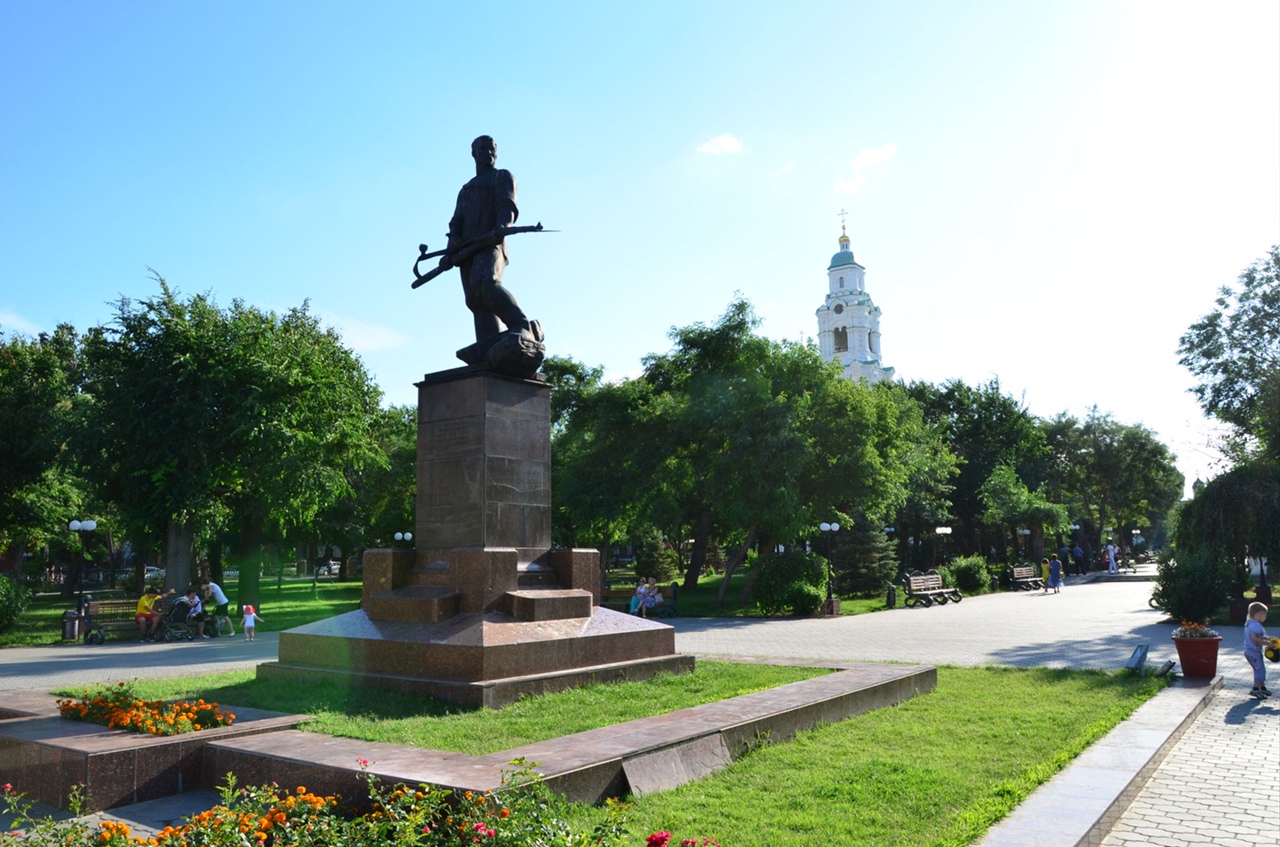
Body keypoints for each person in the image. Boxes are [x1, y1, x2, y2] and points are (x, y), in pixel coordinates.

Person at [440, 135, 541, 355]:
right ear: (473, 153)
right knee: (475, 300)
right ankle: (489, 345)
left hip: (491, 243)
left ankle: (522, 325)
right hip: (467, 250)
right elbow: (456, 222)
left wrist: (502, 226)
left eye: (491, 148)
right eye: (482, 148)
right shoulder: (466, 189)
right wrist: (450, 250)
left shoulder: (502, 176)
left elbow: (507, 205)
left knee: (485, 283)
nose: (487, 152)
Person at [1244, 602, 1271, 699]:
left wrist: (1268, 638)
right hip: (1252, 652)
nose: (1265, 617)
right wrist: (1268, 644)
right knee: (1259, 670)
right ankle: (1255, 689)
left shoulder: (1251, 623)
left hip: (1252, 652)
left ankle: (1262, 687)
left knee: (1260, 669)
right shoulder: (1255, 625)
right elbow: (1254, 638)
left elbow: (1260, 636)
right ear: (1259, 614)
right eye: (1265, 614)